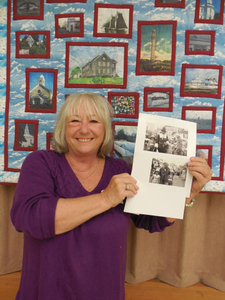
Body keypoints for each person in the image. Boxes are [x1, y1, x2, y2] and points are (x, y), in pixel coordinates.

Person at [10, 93, 212, 300]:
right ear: (63, 128)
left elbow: (153, 219)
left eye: (94, 121)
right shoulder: (40, 162)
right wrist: (106, 199)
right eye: (75, 121)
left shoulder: (120, 169)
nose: (84, 129)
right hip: (46, 293)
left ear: (105, 129)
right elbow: (31, 219)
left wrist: (188, 192)